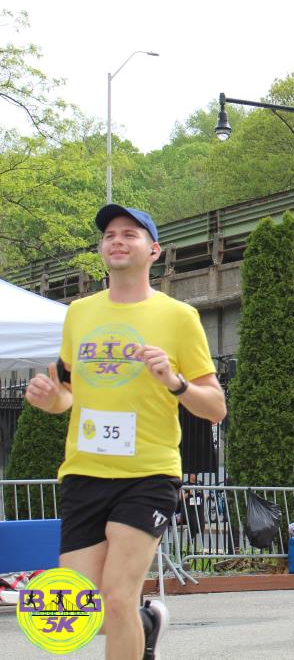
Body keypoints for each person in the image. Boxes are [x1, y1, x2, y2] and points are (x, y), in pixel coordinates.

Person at [25, 204, 227, 660]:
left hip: (147, 474)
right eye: (109, 235)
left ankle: (136, 620)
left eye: (129, 234)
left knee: (118, 598)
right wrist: (50, 398)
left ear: (154, 250)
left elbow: (215, 408)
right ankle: (146, 623)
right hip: (84, 473)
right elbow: (67, 394)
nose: (116, 240)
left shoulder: (178, 317)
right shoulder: (79, 313)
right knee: (84, 608)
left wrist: (174, 382)